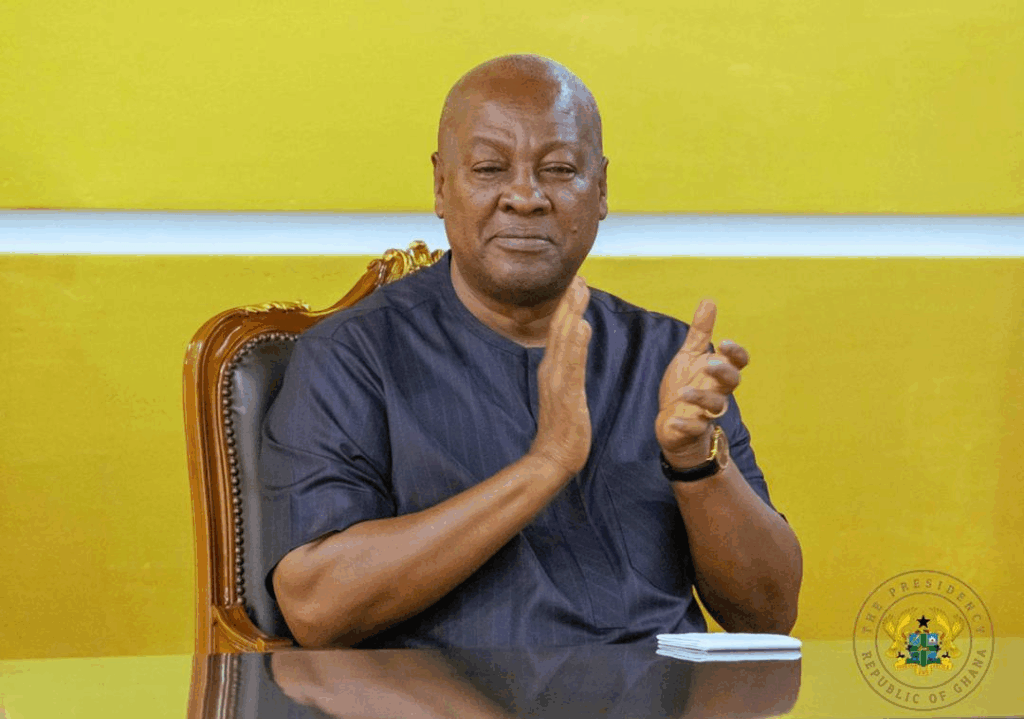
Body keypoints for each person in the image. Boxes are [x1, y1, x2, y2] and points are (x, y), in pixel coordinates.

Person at [259, 54, 802, 649]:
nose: (525, 196)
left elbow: (768, 615)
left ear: (601, 189)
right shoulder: (353, 356)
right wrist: (546, 464)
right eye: (490, 168)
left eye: (559, 169)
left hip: (659, 692)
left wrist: (695, 461)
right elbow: (316, 607)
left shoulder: (666, 358)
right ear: (442, 186)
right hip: (445, 696)